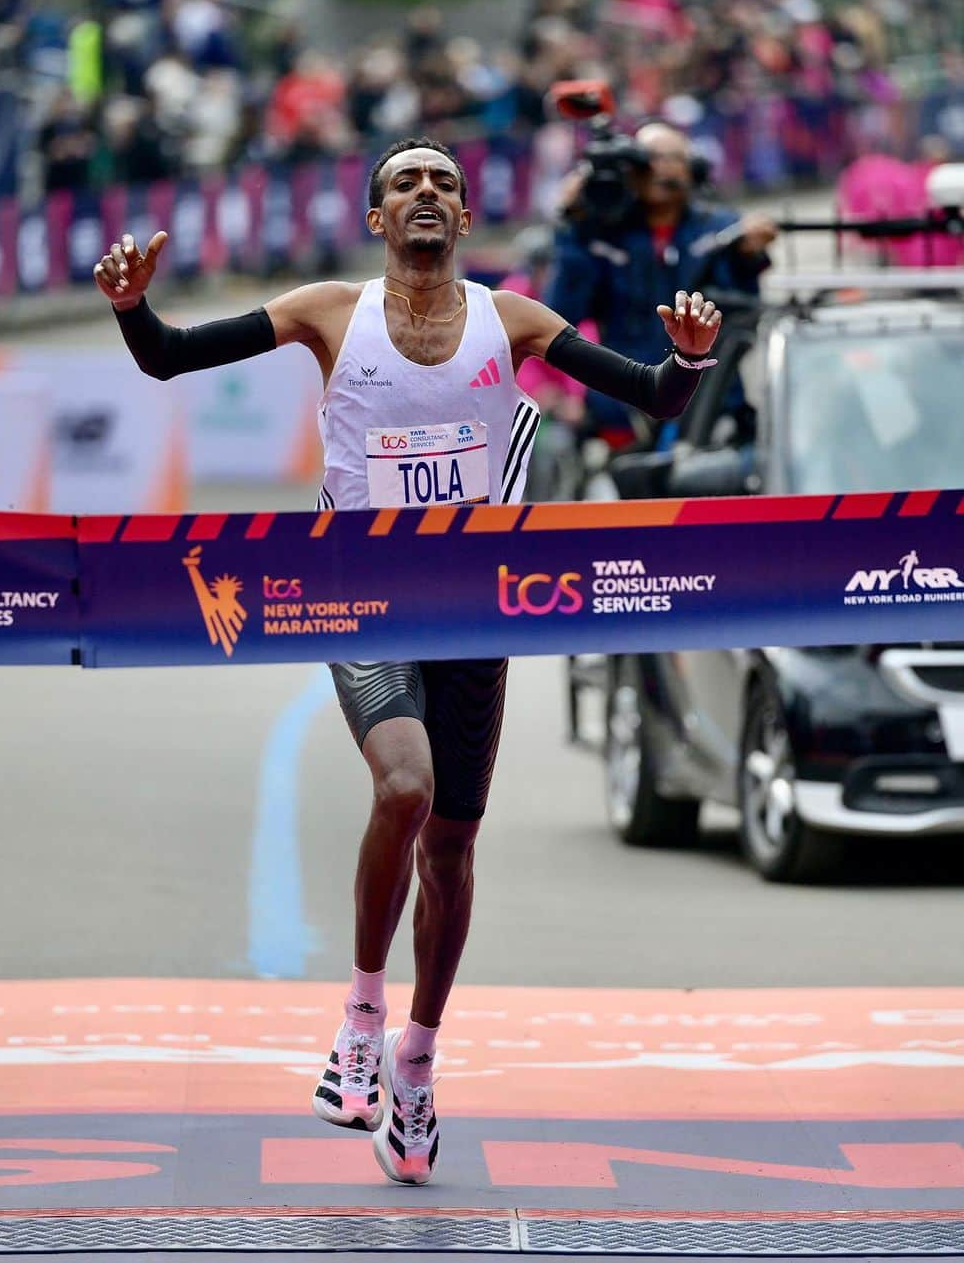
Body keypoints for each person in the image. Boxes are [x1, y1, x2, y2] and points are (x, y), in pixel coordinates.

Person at [93, 136, 722, 1186]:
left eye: (443, 182)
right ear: (378, 218)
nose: (424, 191)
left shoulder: (511, 320)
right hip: (362, 595)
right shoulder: (325, 312)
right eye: (403, 183)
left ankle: (419, 1064)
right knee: (405, 785)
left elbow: (650, 395)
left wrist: (691, 357)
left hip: (475, 608)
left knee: (455, 850)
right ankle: (360, 1018)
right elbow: (167, 355)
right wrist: (129, 306)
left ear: (465, 218)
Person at [546, 121, 774, 446]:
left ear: (692, 169)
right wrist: (570, 224)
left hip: (710, 407)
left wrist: (748, 258)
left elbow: (744, 314)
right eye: (646, 158)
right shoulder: (600, 235)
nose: (656, 167)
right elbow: (562, 312)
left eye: (668, 157)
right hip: (623, 408)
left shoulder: (720, 229)